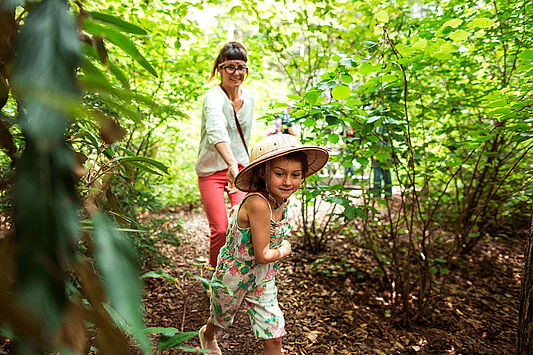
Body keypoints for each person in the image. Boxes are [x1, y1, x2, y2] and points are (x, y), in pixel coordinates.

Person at [198, 134, 329, 355]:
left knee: (274, 334)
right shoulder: (258, 203)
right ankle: (207, 334)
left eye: (295, 175)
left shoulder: (281, 199)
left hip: (262, 276)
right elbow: (263, 254)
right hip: (234, 272)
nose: (288, 182)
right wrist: (285, 248)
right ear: (262, 172)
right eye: (279, 174)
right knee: (221, 316)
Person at [195, 42, 254, 267]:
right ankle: (215, 275)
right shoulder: (213, 97)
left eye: (241, 67)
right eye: (230, 67)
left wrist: (242, 166)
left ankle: (239, 274)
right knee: (220, 228)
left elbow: (245, 139)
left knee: (243, 224)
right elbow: (215, 128)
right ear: (219, 68)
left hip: (240, 170)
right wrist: (230, 163)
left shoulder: (250, 99)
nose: (236, 73)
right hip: (211, 169)